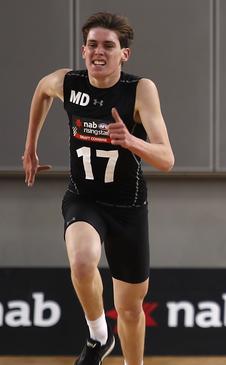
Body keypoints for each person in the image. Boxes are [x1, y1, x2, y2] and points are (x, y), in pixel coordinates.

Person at [22, 12, 174, 365]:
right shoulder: (69, 83)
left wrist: (132, 142)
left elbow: (166, 159)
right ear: (83, 49)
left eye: (108, 45)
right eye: (92, 45)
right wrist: (30, 146)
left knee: (131, 309)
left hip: (128, 207)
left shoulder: (140, 90)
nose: (98, 52)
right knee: (81, 260)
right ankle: (98, 336)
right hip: (84, 198)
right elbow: (43, 90)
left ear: (125, 54)